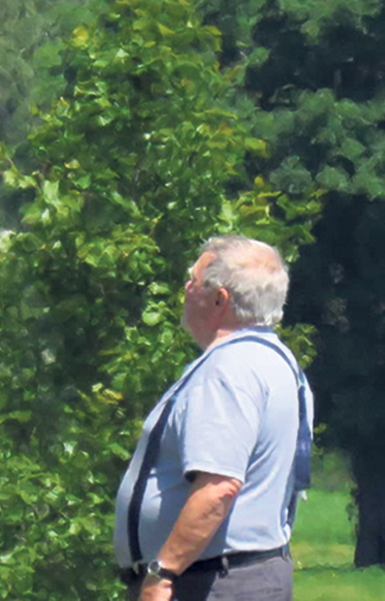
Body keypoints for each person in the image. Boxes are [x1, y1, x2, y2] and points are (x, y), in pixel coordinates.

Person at [113, 236, 314, 601]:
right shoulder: (277, 362)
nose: (186, 290)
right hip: (246, 574)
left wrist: (161, 573)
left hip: (208, 582)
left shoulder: (228, 369)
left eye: (193, 281)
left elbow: (218, 488)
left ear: (219, 299)